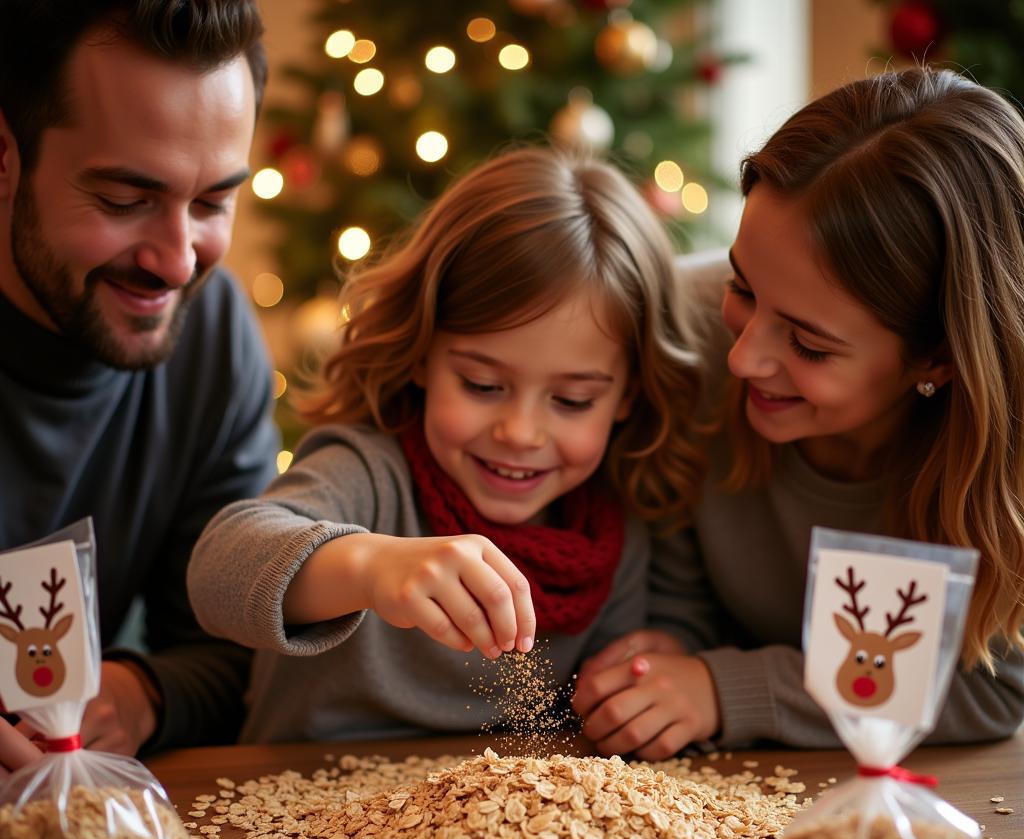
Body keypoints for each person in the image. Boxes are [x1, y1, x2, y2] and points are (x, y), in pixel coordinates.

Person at [574, 67, 1024, 758]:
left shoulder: (1003, 463)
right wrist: (670, 648)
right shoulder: (684, 340)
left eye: (810, 344)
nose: (743, 359)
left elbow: (992, 688)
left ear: (939, 358)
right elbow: (679, 591)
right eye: (740, 286)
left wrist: (731, 688)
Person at [186, 146, 704, 743]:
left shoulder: (614, 525)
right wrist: (368, 566)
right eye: (482, 385)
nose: (520, 432)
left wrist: (664, 659)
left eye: (572, 401)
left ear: (629, 397)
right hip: (306, 822)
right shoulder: (369, 475)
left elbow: (680, 634)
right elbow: (217, 571)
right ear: (422, 355)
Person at [0, 0, 280, 767]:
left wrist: (141, 694)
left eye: (213, 203)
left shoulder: (211, 333)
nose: (178, 261)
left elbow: (233, 640)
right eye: (126, 202)